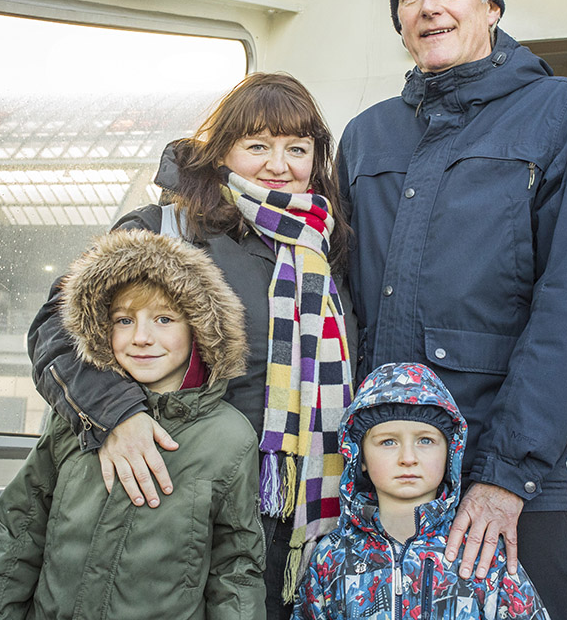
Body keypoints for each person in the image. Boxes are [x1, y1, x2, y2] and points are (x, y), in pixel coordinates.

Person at [336, 0, 567, 618]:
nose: (428, 5)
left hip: (503, 464)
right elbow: (335, 298)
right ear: (399, 22)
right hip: (384, 464)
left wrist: (506, 476)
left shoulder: (562, 111)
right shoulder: (367, 136)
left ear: (491, 8)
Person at [28, 72, 356, 617]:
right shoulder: (165, 229)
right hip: (172, 499)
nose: (279, 165)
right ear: (222, 151)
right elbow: (57, 328)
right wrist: (117, 415)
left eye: (297, 149)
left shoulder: (323, 247)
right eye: (258, 146)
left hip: (284, 519)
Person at [0, 229, 264, 619]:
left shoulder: (229, 437)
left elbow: (236, 569)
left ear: (199, 328)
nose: (142, 337)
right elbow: (19, 534)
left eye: (164, 319)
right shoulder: (73, 420)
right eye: (123, 320)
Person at [293, 362, 549, 620]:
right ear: (360, 457)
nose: (408, 457)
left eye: (425, 440)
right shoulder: (331, 557)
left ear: (451, 452)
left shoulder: (480, 553)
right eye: (388, 441)